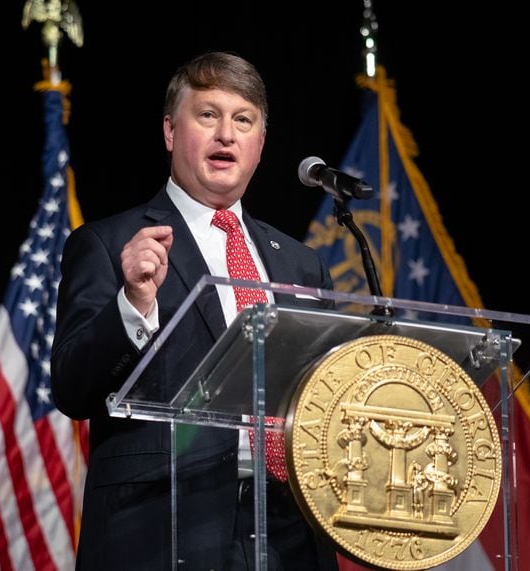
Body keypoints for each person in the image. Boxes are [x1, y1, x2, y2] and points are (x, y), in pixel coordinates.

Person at [51, 51, 338, 570]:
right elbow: (72, 387)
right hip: (162, 530)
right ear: (169, 131)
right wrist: (133, 304)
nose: (226, 134)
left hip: (292, 533)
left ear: (260, 145)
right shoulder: (110, 243)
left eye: (242, 120)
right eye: (208, 115)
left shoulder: (302, 263)